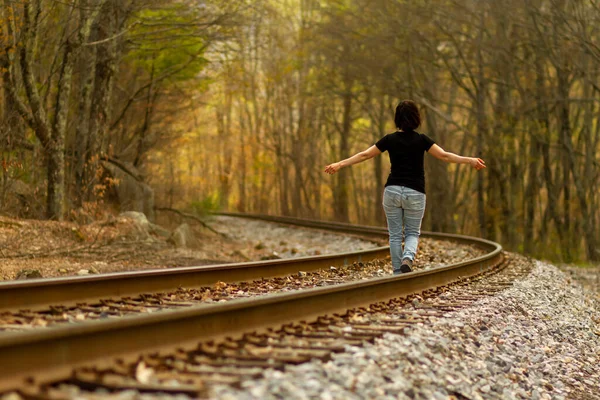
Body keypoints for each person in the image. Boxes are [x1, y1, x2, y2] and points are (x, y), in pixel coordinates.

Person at [324, 100, 485, 275]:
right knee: (412, 234)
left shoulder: (389, 139)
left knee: (394, 235)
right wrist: (470, 160)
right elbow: (445, 156)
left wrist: (339, 164)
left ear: (397, 119)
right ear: (416, 118)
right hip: (415, 192)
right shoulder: (422, 140)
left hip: (392, 191)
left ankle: (397, 274)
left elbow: (365, 155)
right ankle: (408, 257)